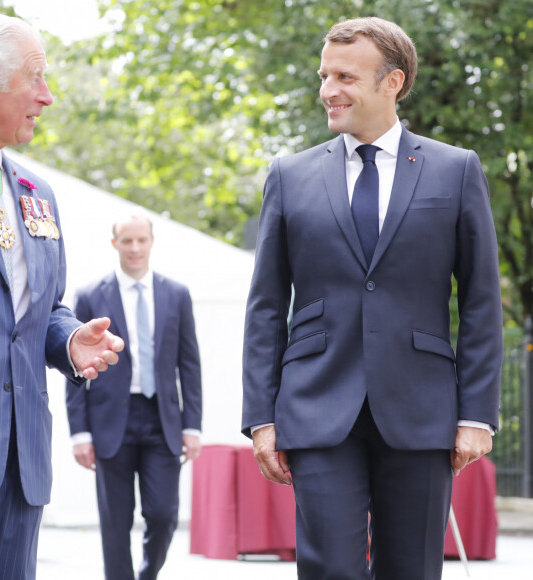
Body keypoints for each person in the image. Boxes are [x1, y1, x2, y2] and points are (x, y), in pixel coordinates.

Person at [242, 16, 503, 580]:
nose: (327, 90)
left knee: (411, 570)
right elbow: (265, 305)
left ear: (393, 82)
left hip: (421, 409)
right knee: (330, 570)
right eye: (323, 75)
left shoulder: (456, 170)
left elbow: (481, 301)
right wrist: (261, 417)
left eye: (344, 77)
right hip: (316, 407)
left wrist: (477, 414)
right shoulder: (289, 175)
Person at [0, 13, 124, 580]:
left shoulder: (36, 192)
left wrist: (70, 340)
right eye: (37, 78)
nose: (47, 97)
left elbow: (41, 308)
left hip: (20, 465)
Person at [66, 214, 203, 580]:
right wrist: (79, 433)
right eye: (127, 241)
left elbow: (189, 365)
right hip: (110, 422)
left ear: (152, 241)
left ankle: (146, 574)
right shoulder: (92, 295)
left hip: (162, 421)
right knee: (116, 522)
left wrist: (193, 426)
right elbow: (74, 367)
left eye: (141, 240)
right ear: (115, 244)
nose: (135, 248)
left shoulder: (176, 294)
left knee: (163, 513)